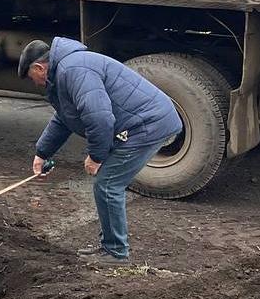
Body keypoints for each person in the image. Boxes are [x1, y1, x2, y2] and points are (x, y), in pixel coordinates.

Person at [19, 38, 182, 263]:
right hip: (140, 122)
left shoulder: (73, 70)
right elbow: (64, 118)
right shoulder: (65, 72)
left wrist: (96, 157)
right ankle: (109, 246)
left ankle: (116, 252)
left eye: (32, 77)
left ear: (39, 68)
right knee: (106, 184)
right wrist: (42, 153)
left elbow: (100, 118)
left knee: (107, 185)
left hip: (148, 123)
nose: (35, 83)